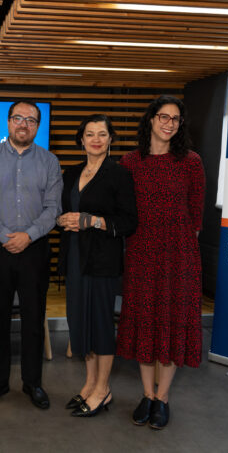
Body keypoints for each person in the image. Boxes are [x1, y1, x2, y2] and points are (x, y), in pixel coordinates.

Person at [116, 95, 205, 430]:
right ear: (151, 119)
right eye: (163, 117)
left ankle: (163, 398)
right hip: (141, 253)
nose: (169, 123)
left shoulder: (191, 162)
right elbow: (124, 212)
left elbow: (196, 217)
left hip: (179, 256)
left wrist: (181, 254)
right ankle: (147, 394)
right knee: (145, 322)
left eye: (175, 119)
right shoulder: (130, 162)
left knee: (171, 322)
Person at [0, 100, 63, 409]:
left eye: (31, 120)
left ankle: (32, 382)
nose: (24, 124)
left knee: (34, 319)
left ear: (37, 126)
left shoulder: (50, 161)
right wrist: (4, 236)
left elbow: (53, 208)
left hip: (35, 250)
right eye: (18, 118)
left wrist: (28, 236)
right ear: (8, 121)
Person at [57, 114, 137, 417]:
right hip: (75, 256)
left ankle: (103, 389)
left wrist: (92, 221)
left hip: (103, 259)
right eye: (89, 134)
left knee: (101, 323)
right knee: (81, 322)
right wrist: (61, 220)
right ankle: (89, 383)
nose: (96, 139)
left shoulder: (119, 174)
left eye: (102, 134)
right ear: (81, 139)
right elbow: (62, 210)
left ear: (110, 139)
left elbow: (128, 221)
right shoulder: (71, 172)